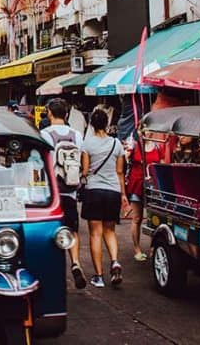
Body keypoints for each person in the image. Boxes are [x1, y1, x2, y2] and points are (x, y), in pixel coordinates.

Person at [39, 98, 88, 289]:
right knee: (72, 230)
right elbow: (85, 161)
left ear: (49, 113)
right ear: (66, 114)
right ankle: (75, 262)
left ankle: (52, 270)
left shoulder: (44, 134)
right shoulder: (76, 135)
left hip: (50, 193)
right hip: (70, 190)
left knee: (51, 232)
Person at [80, 109, 127, 288]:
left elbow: (85, 171)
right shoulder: (117, 144)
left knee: (95, 234)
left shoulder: (87, 144)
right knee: (110, 231)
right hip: (113, 191)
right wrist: (123, 194)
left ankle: (99, 276)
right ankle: (115, 261)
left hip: (94, 191)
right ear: (107, 124)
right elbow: (120, 172)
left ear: (91, 124)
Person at [126, 130, 164, 261]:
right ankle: (137, 249)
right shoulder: (135, 145)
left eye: (149, 129)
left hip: (153, 188)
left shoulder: (159, 146)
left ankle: (154, 248)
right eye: (144, 130)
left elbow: (162, 165)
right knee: (137, 218)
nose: (146, 133)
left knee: (155, 219)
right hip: (136, 185)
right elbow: (125, 158)